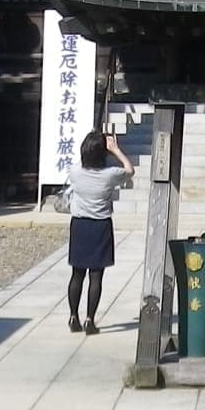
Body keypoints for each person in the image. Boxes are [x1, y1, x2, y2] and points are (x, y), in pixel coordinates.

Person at [65, 128, 134, 333]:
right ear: (102, 153)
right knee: (96, 276)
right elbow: (130, 170)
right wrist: (116, 149)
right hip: (100, 225)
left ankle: (73, 316)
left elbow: (82, 162)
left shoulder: (75, 172)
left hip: (79, 225)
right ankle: (89, 319)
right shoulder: (109, 175)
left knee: (77, 274)